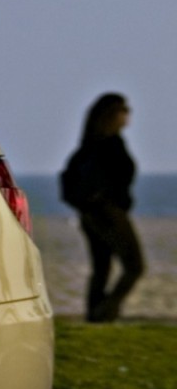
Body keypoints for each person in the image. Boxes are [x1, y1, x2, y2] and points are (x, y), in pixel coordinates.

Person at [61, 92, 145, 323]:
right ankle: (104, 312)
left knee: (101, 267)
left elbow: (69, 179)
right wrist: (103, 201)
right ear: (112, 115)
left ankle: (94, 315)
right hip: (108, 213)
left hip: (91, 214)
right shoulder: (109, 146)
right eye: (123, 110)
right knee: (135, 266)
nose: (128, 115)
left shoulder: (88, 147)